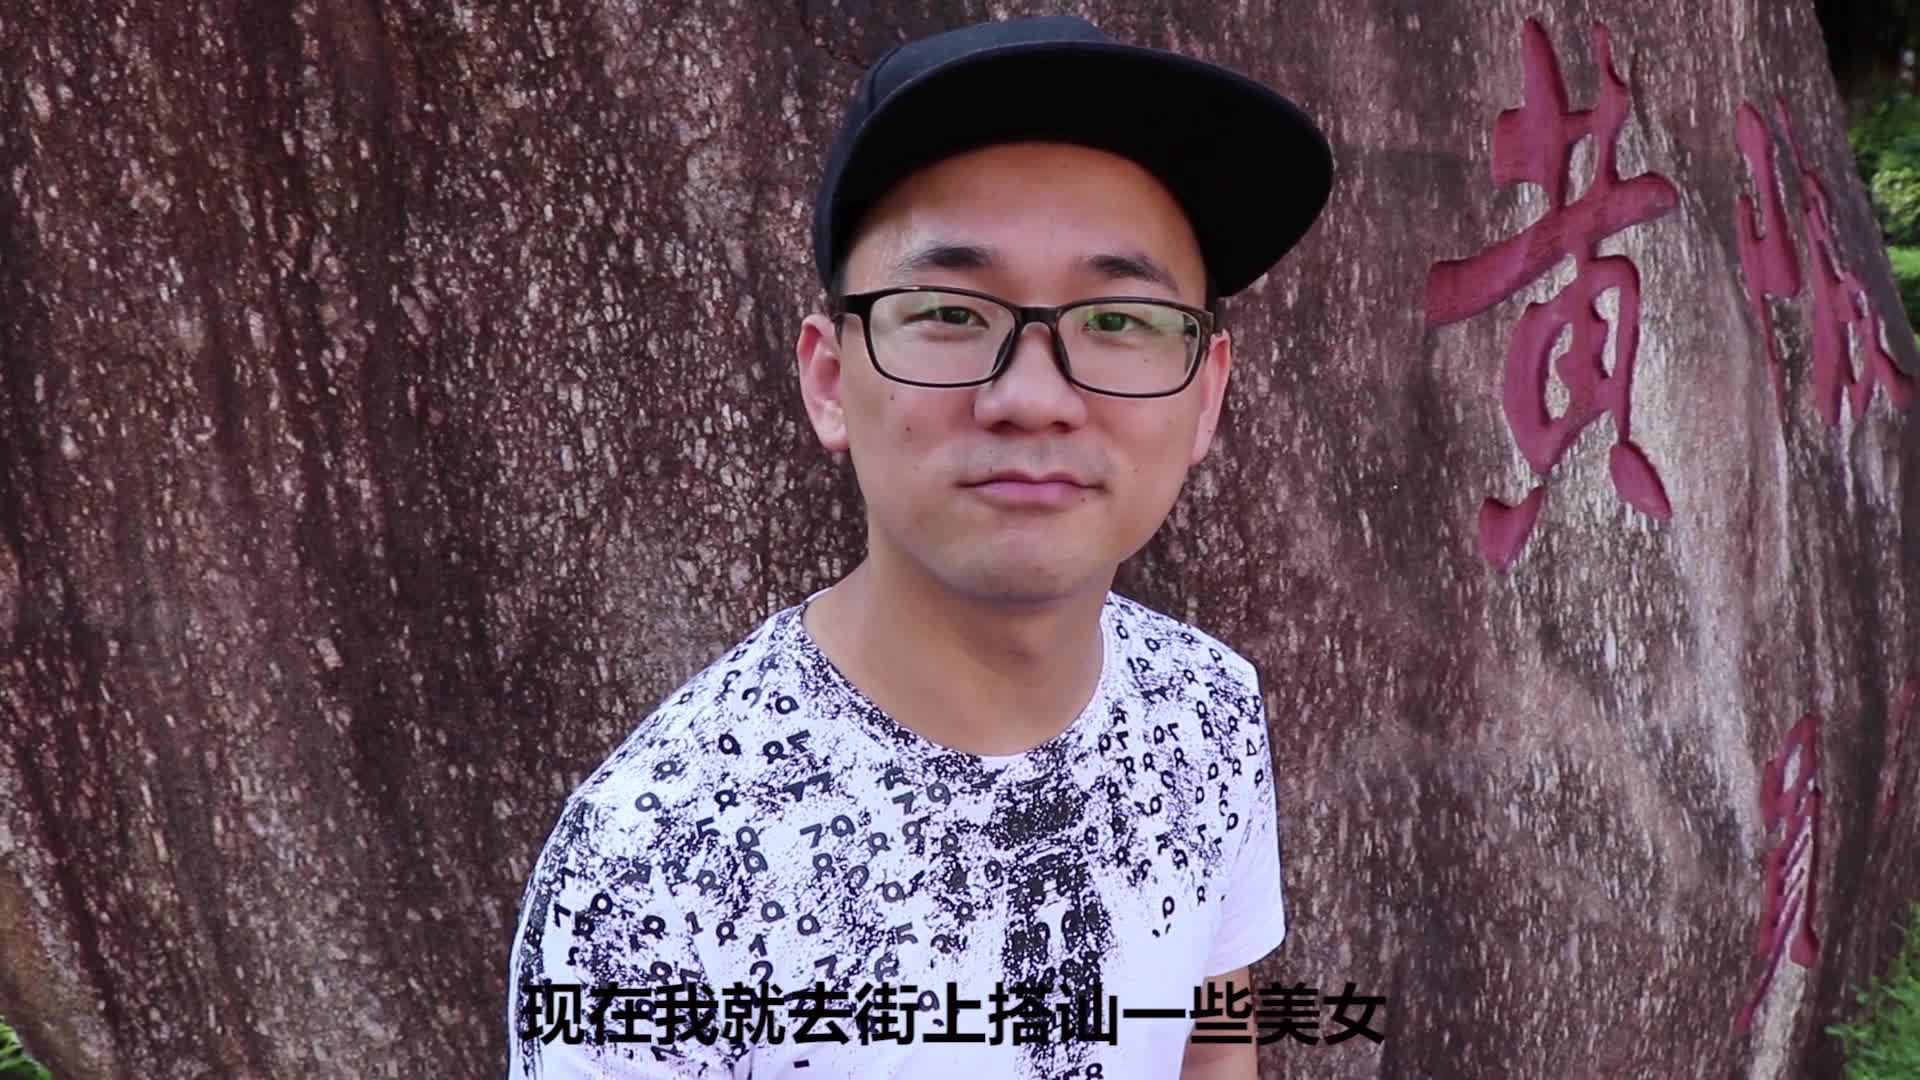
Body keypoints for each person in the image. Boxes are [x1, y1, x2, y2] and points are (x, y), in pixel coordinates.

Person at [506, 14, 1332, 1079]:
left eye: (1119, 321)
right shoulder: (658, 865)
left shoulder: (1203, 709)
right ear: (828, 380)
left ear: (1206, 393)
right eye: (948, 310)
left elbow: (1212, 1044)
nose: (1033, 397)